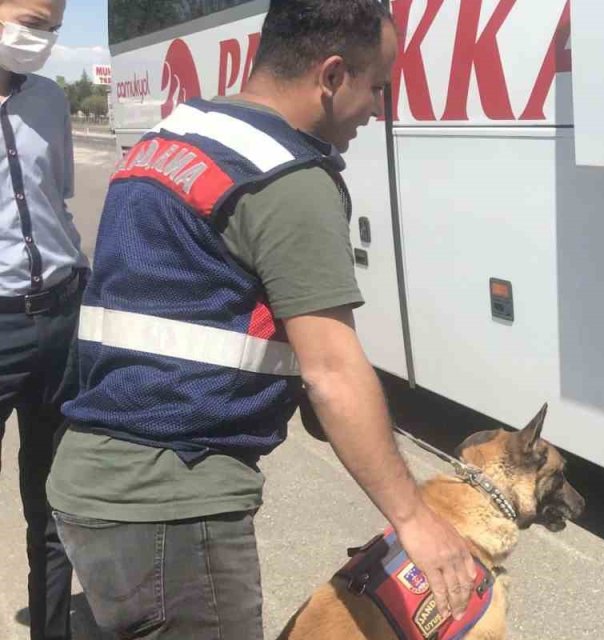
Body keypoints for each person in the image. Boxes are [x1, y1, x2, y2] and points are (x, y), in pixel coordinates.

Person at [46, 1, 475, 637]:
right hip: (173, 503)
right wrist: (414, 519)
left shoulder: (170, 139)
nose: (379, 109)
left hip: (89, 483)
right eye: (376, 86)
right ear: (331, 76)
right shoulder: (286, 177)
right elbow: (332, 369)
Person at [0, 0, 78, 638]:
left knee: (54, 505)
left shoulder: (50, 101)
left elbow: (56, 202)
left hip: (60, 317)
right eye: (30, 21)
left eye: (50, 27)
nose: (41, 38)